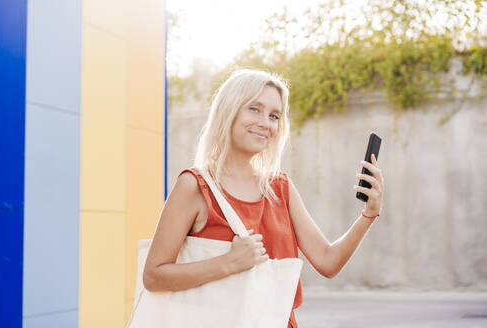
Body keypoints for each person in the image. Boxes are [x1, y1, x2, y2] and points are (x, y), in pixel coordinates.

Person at [143, 69, 384, 328]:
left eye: (274, 116)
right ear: (229, 111)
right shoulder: (194, 186)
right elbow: (154, 276)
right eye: (254, 109)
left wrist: (368, 215)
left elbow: (328, 261)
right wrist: (228, 263)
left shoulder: (280, 188)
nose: (265, 123)